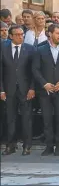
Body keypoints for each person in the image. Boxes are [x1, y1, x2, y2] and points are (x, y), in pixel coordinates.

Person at [32, 23, 59, 156]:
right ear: (50, 34)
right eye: (57, 33)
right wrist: (44, 84)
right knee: (47, 119)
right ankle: (49, 145)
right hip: (45, 91)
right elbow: (35, 69)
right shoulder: (40, 50)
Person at [1, 25, 35, 156]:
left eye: (22, 34)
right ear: (10, 36)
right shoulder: (3, 48)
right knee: (10, 117)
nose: (21, 37)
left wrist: (32, 88)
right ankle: (11, 145)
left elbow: (33, 71)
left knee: (26, 118)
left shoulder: (30, 49)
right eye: (18, 35)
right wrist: (1, 90)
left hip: (25, 89)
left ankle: (27, 146)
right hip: (9, 89)